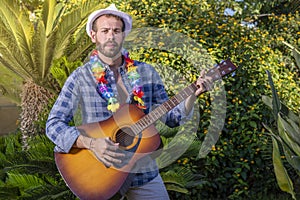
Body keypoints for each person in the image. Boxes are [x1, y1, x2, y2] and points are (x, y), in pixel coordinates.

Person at [46, 4, 212, 200]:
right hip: (99, 175)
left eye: (116, 31)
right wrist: (91, 143)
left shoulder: (146, 73)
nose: (111, 36)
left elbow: (171, 118)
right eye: (105, 31)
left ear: (123, 35)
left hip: (144, 173)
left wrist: (193, 94)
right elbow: (53, 125)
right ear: (93, 36)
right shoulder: (80, 77)